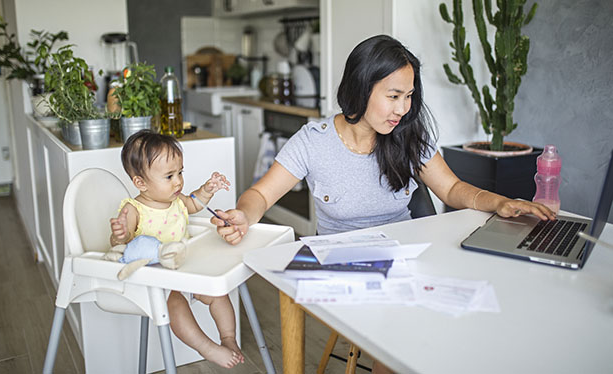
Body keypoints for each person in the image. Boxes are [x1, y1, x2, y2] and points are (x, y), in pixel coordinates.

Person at [212, 35, 555, 373]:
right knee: (399, 327)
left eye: (408, 96)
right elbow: (260, 195)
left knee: (455, 317)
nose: (403, 109)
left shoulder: (407, 135)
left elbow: (451, 189)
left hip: (402, 260)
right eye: (393, 96)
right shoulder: (313, 142)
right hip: (341, 264)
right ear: (361, 89)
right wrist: (244, 214)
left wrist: (501, 203)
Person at [109, 130, 243, 368]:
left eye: (180, 172)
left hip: (184, 272)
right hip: (155, 281)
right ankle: (207, 347)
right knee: (175, 305)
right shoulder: (133, 209)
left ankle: (228, 338)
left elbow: (194, 203)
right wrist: (119, 233)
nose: (179, 181)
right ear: (140, 182)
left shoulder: (177, 201)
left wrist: (208, 189)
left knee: (218, 294)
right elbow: (124, 241)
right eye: (169, 176)